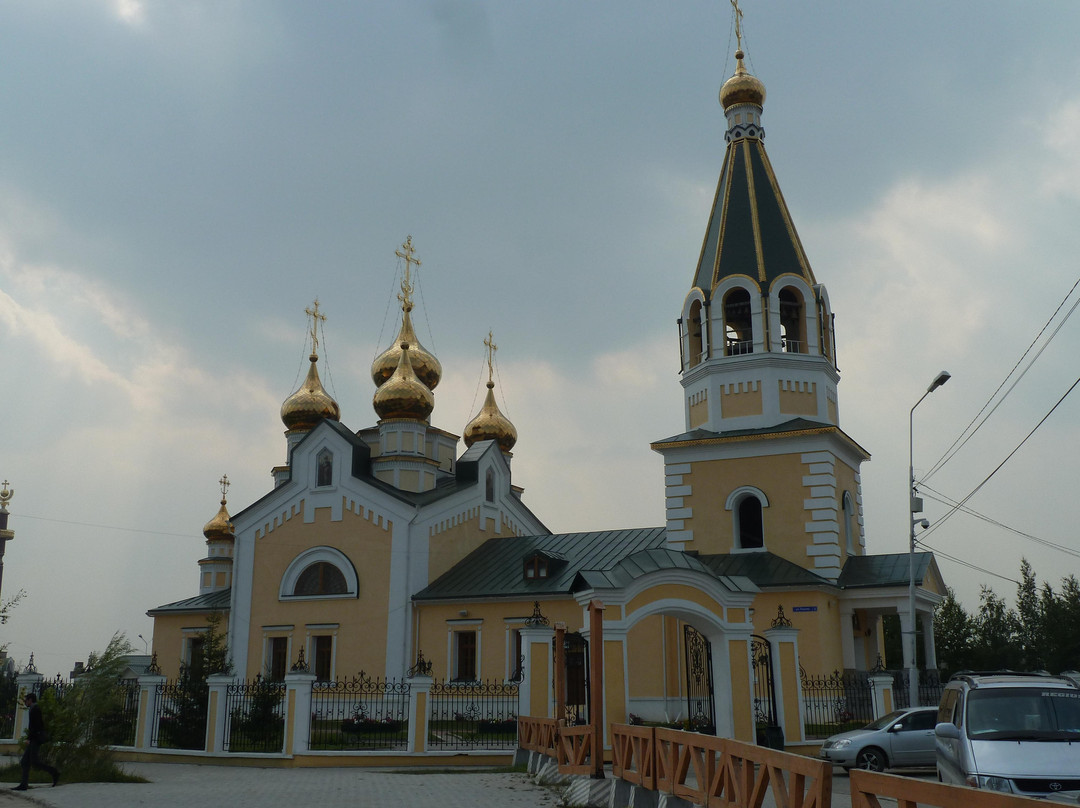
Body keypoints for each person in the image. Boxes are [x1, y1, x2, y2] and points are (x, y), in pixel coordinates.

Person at [13, 692, 59, 790]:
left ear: (30, 700)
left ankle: (54, 772)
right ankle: (23, 784)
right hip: (34, 738)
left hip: (36, 739)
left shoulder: (35, 709)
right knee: (25, 761)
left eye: (26, 700)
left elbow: (36, 726)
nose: (25, 702)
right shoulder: (33, 709)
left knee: (34, 762)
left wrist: (29, 738)